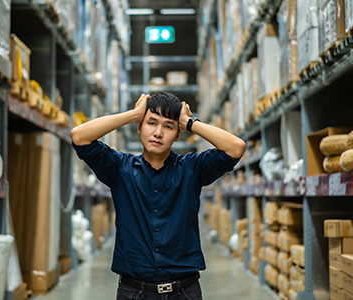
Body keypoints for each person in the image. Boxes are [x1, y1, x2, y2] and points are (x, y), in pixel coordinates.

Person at [71, 92, 246, 300]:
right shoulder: (119, 169)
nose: (158, 133)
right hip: (134, 292)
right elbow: (79, 136)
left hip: (184, 292)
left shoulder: (192, 169)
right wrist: (133, 114)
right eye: (151, 123)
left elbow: (236, 148)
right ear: (139, 127)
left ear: (178, 134)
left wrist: (189, 122)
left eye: (168, 126)